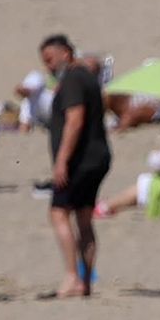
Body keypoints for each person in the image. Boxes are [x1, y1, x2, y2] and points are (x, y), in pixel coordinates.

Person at [40, 33, 111, 298]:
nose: (47, 66)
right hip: (97, 157)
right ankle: (85, 283)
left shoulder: (72, 79)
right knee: (83, 217)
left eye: (49, 60)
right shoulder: (88, 79)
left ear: (65, 54)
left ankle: (72, 277)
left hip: (80, 160)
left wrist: (61, 162)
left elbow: (75, 121)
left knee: (58, 213)